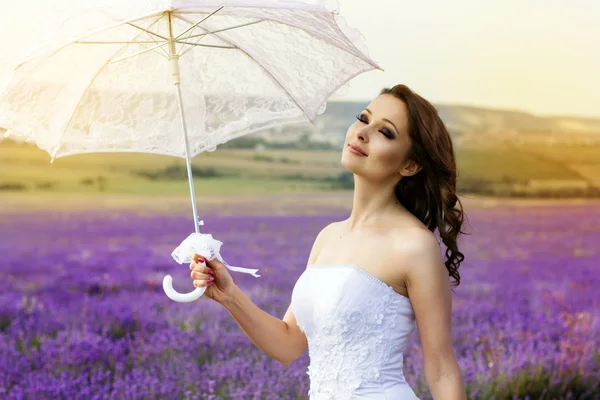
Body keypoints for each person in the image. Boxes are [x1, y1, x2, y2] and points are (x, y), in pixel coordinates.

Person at [189, 84, 468, 400]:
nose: (363, 133)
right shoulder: (327, 237)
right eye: (363, 119)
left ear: (410, 165)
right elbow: (289, 344)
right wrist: (229, 295)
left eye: (386, 133)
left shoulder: (414, 245)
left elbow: (442, 368)